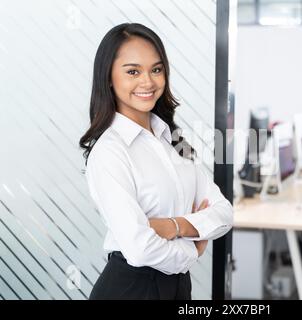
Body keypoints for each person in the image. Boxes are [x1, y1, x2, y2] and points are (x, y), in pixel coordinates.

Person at [79, 23, 233, 300]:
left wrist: (176, 226)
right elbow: (140, 248)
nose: (148, 82)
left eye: (156, 69)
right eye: (133, 72)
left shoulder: (171, 139)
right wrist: (193, 248)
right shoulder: (110, 151)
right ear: (109, 78)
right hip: (130, 289)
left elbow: (223, 212)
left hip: (177, 287)